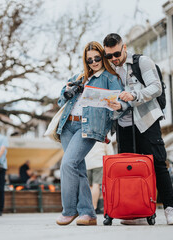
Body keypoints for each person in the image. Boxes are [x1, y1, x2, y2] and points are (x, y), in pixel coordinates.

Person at [104, 33, 173, 225]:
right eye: (109, 56)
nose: (114, 59)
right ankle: (135, 211)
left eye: (116, 54)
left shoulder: (143, 62)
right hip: (123, 125)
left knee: (158, 164)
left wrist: (134, 95)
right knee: (129, 170)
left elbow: (156, 88)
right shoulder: (110, 69)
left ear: (124, 47)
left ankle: (171, 209)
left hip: (146, 121)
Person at [55, 41, 125, 226]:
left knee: (68, 164)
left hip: (88, 128)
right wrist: (67, 91)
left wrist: (109, 124)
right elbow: (60, 101)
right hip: (67, 126)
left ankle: (69, 210)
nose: (94, 62)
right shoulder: (80, 76)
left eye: (97, 58)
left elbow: (120, 106)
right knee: (78, 169)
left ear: (103, 57)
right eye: (90, 59)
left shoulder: (110, 77)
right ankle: (88, 213)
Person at [84, 141, 114, 214]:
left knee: (89, 186)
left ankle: (88, 207)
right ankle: (94, 207)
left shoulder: (86, 133)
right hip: (99, 162)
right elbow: (109, 150)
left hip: (87, 163)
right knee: (96, 185)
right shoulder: (103, 133)